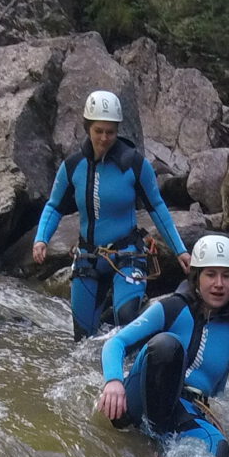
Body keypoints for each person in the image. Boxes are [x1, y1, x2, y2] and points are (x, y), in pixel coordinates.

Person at [31, 90, 190, 339]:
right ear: (88, 128)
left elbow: (157, 208)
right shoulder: (73, 166)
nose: (105, 138)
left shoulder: (135, 165)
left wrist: (180, 250)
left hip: (127, 254)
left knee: (126, 319)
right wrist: (41, 238)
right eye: (99, 131)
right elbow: (54, 206)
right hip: (88, 257)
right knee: (82, 338)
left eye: (111, 131)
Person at [96, 232, 229, 457]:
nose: (219, 284)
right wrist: (113, 381)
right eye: (210, 274)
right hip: (140, 400)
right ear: (196, 277)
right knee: (168, 345)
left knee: (218, 449)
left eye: (226, 276)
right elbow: (115, 344)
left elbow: (218, 388)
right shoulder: (172, 307)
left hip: (185, 407)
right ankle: (155, 442)